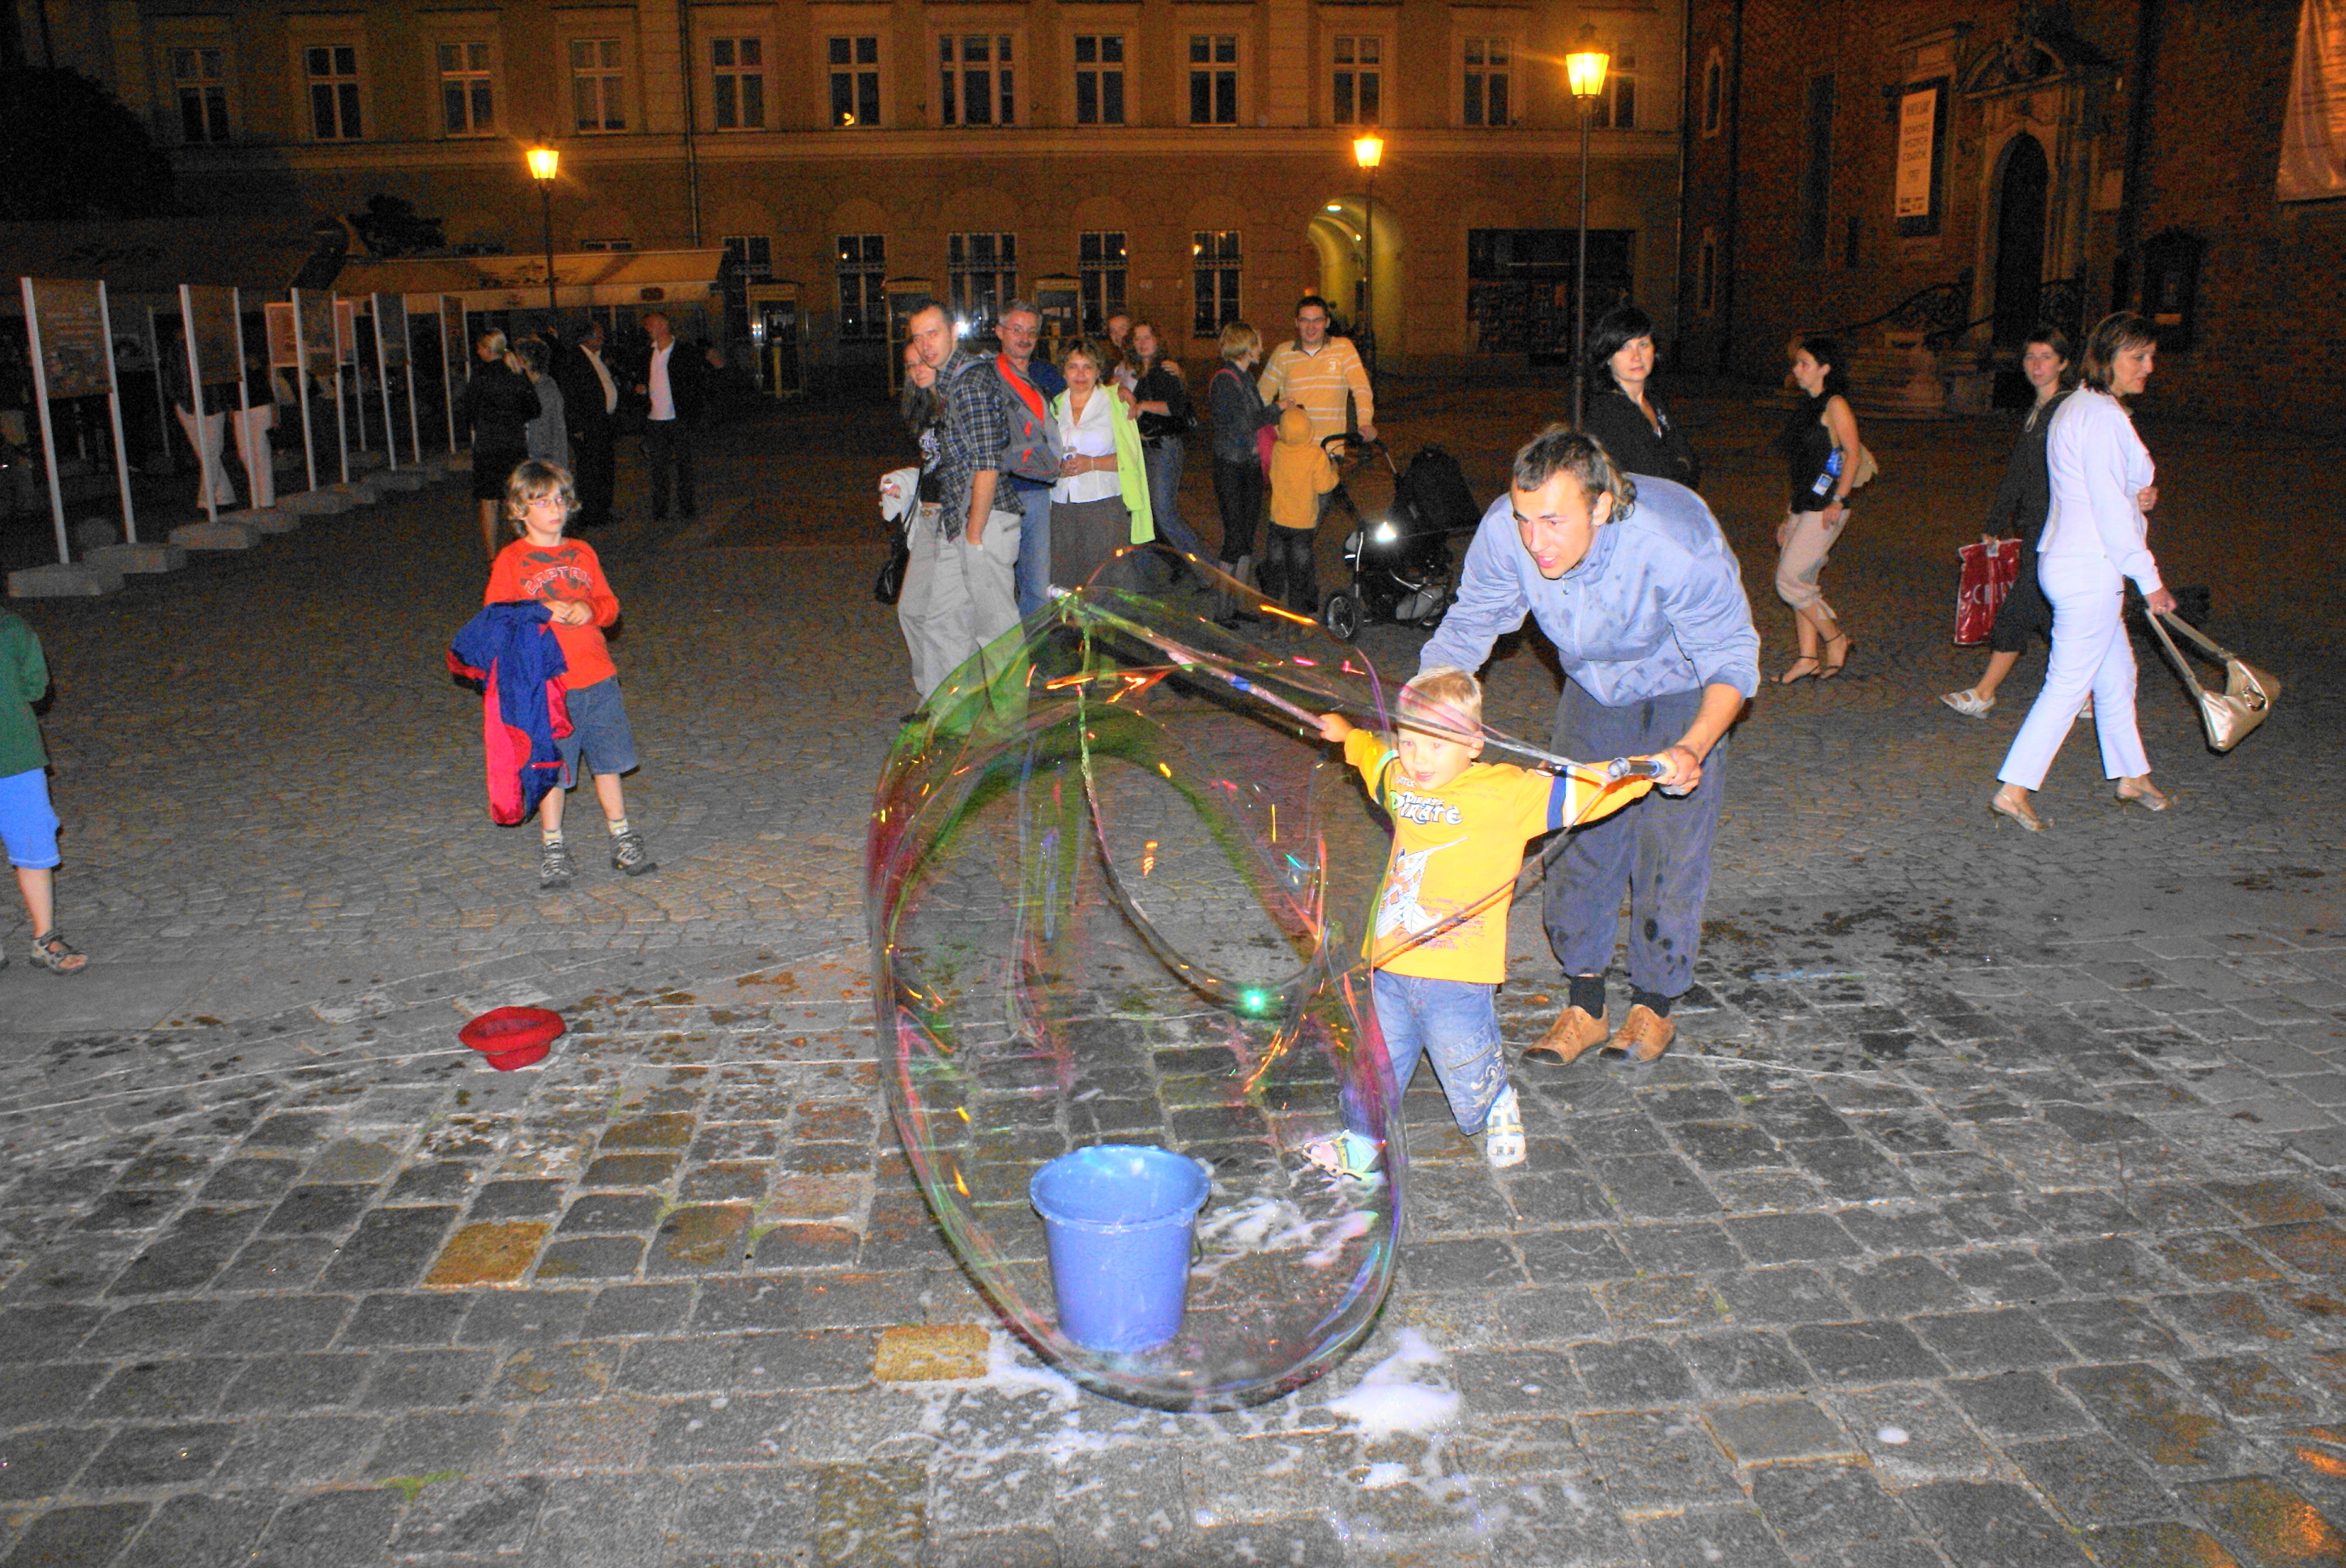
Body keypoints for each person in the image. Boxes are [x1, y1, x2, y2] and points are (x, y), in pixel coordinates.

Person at [1419, 427, 1760, 1065]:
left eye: (1553, 522)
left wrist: (1693, 747)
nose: (1534, 541)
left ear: (1600, 506)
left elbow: (1731, 657)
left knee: (1669, 849)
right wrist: (1428, 706)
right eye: (1524, 519)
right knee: (1577, 839)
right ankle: (1586, 1005)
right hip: (1594, 687)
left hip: (1685, 685)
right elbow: (1472, 622)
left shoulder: (1672, 539)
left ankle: (1654, 1006)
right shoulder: (1507, 530)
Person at [1312, 670, 1653, 1174]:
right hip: (1389, 963)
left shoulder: (1506, 793)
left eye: (1436, 744)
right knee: (1374, 1061)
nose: (1418, 758)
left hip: (1459, 974)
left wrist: (1651, 772)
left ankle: (1495, 1105)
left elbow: (1589, 787)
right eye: (1409, 741)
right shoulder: (1399, 779)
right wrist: (1347, 735)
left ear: (1474, 743)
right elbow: (1373, 756)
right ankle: (1361, 1137)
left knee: (1466, 1063)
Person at [1990, 312, 2177, 831]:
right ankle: (2014, 788)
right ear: (2108, 358)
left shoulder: (2078, 405)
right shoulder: (2100, 415)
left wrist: (2137, 494)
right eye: (2138, 357)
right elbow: (2109, 510)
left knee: (2117, 674)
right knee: (2068, 686)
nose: (2149, 366)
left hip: (2068, 559)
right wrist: (2150, 580)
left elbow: (2099, 488)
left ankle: (2133, 775)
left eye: (2151, 356)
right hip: (2089, 567)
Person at [1941, 328, 2137, 719]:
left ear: (2064, 363)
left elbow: (2110, 456)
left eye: (2046, 357)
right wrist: (1997, 520)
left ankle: (1984, 692)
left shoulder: (2068, 408)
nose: (2036, 365)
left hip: (2058, 529)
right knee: (2051, 616)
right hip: (2037, 526)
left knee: (2018, 609)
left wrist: (2136, 492)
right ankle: (2094, 691)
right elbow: (2019, 471)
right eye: (2030, 356)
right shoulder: (2037, 411)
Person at [485, 460, 655, 886]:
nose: (555, 508)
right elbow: (495, 618)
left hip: (598, 677)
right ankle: (554, 846)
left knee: (608, 761)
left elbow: (610, 606)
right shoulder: (511, 560)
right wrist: (539, 610)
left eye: (560, 499)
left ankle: (621, 836)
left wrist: (589, 608)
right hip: (549, 686)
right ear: (520, 510)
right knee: (554, 770)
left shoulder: (582, 552)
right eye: (542, 502)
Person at [895, 300, 1023, 700]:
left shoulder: (970, 383)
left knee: (995, 632)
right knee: (941, 624)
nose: (925, 345)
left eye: (933, 333)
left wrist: (973, 535)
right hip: (958, 522)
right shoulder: (950, 384)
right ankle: (946, 717)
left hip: (985, 522)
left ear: (954, 333)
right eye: (918, 337)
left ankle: (1009, 723)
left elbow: (987, 462)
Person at [1771, 335, 1862, 682]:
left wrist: (1840, 500)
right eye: (1797, 363)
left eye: (1804, 363)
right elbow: (1802, 466)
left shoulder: (1835, 404)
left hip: (1827, 505)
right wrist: (1789, 514)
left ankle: (1835, 639)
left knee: (1789, 580)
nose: (1796, 369)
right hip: (1803, 504)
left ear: (1825, 368)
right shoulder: (1807, 405)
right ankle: (1807, 658)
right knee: (1803, 581)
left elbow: (1852, 453)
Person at [2, 610, 85, 974]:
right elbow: (34, 688)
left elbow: (37, 688)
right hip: (15, 751)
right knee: (33, 844)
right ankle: (45, 939)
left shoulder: (12, 630)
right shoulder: (11, 629)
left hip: (16, 757)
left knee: (35, 845)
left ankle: (45, 938)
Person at [1047, 339, 1153, 591]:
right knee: (1065, 574)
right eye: (1073, 366)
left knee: (1105, 576)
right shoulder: (1054, 406)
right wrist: (1057, 466)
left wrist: (1092, 463)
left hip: (1103, 503)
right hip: (1062, 503)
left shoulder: (1115, 402)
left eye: (1087, 367)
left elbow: (1131, 460)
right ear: (1063, 371)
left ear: (1098, 371)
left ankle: (1106, 618)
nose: (1080, 374)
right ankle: (1072, 617)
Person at [994, 300, 1067, 617]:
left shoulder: (1046, 375)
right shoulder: (986, 376)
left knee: (1037, 582)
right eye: (1017, 330)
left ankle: (1034, 643)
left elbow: (1082, 401)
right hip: (995, 490)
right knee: (995, 581)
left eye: (1031, 332)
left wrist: (1122, 394)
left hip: (1037, 490)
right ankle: (1001, 642)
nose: (1024, 338)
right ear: (1000, 331)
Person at [1206, 320, 1285, 607]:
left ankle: (1237, 605)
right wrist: (1277, 410)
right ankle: (1222, 609)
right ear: (1245, 347)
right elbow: (1242, 425)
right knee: (1234, 538)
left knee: (1248, 538)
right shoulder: (1225, 381)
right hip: (1231, 467)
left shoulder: (1247, 378)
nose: (1261, 349)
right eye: (1257, 344)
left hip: (1250, 465)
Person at [1580, 305, 1700, 491]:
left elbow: (1691, 463)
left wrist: (1681, 468)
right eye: (1624, 347)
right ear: (1608, 357)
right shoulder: (1607, 411)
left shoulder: (1654, 402)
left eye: (1643, 344)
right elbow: (1652, 475)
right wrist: (1681, 467)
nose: (1636, 356)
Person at [889, 342, 951, 701]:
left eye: (924, 361)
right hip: (929, 514)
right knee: (911, 610)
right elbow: (930, 465)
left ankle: (950, 699)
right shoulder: (925, 406)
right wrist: (904, 484)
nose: (918, 370)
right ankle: (931, 695)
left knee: (946, 615)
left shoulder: (960, 401)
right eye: (911, 366)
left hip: (956, 517)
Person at [1128, 320, 1207, 560]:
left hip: (1163, 447)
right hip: (1149, 448)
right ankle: (1190, 566)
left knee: (1166, 515)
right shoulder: (1143, 372)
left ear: (1157, 341)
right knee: (1158, 515)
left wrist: (1143, 405)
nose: (1142, 343)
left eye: (1147, 337)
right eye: (1137, 338)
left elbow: (1176, 406)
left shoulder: (1163, 370)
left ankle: (1208, 568)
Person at [459, 331, 540, 562]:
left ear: (487, 349)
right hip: (514, 442)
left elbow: (468, 410)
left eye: (479, 347)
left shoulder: (480, 376)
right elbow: (534, 409)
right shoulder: (516, 372)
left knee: (489, 501)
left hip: (488, 444)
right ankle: (525, 551)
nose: (477, 352)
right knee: (516, 498)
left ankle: (493, 558)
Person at [1256, 296, 1376, 447]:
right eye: (1304, 320)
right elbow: (1261, 397)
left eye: (1317, 320)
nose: (1310, 327)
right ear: (1296, 323)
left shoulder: (1343, 349)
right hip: (1292, 448)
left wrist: (1365, 422)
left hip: (1330, 447)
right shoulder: (1283, 353)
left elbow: (1361, 389)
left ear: (1327, 322)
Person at [1261, 404, 1337, 619]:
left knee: (1274, 573)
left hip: (1277, 522)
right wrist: (1334, 472)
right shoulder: (1315, 455)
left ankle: (1269, 623)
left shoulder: (1278, 450)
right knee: (1299, 576)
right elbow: (1324, 486)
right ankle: (1297, 623)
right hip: (1303, 526)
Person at [629, 311, 704, 526]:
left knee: (684, 465)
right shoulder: (646, 353)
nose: (647, 329)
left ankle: (687, 507)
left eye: (650, 325)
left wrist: (693, 414)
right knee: (658, 466)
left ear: (663, 325)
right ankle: (660, 509)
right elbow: (641, 381)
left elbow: (695, 384)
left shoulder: (684, 352)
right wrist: (641, 391)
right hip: (655, 419)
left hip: (678, 418)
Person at [552, 319, 618, 531]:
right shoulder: (574, 359)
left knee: (604, 466)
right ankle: (591, 512)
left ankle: (603, 510)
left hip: (603, 420)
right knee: (590, 469)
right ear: (589, 339)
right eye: (599, 336)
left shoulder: (595, 357)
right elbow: (570, 394)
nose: (602, 339)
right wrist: (576, 426)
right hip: (588, 423)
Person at [163, 328, 238, 510]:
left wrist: (179, 398)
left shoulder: (199, 348)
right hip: (200, 403)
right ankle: (221, 496)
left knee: (209, 453)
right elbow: (171, 377)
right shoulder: (183, 349)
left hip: (204, 403)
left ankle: (209, 499)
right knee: (209, 453)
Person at [232, 343, 278, 511]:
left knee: (260, 452)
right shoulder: (229, 365)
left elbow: (264, 385)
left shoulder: (252, 361)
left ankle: (266, 499)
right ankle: (257, 495)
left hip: (259, 407)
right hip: (240, 410)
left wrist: (274, 412)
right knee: (245, 454)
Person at [517, 337, 567, 467]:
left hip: (542, 457)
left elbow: (556, 431)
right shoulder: (528, 386)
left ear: (527, 363)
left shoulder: (546, 390)